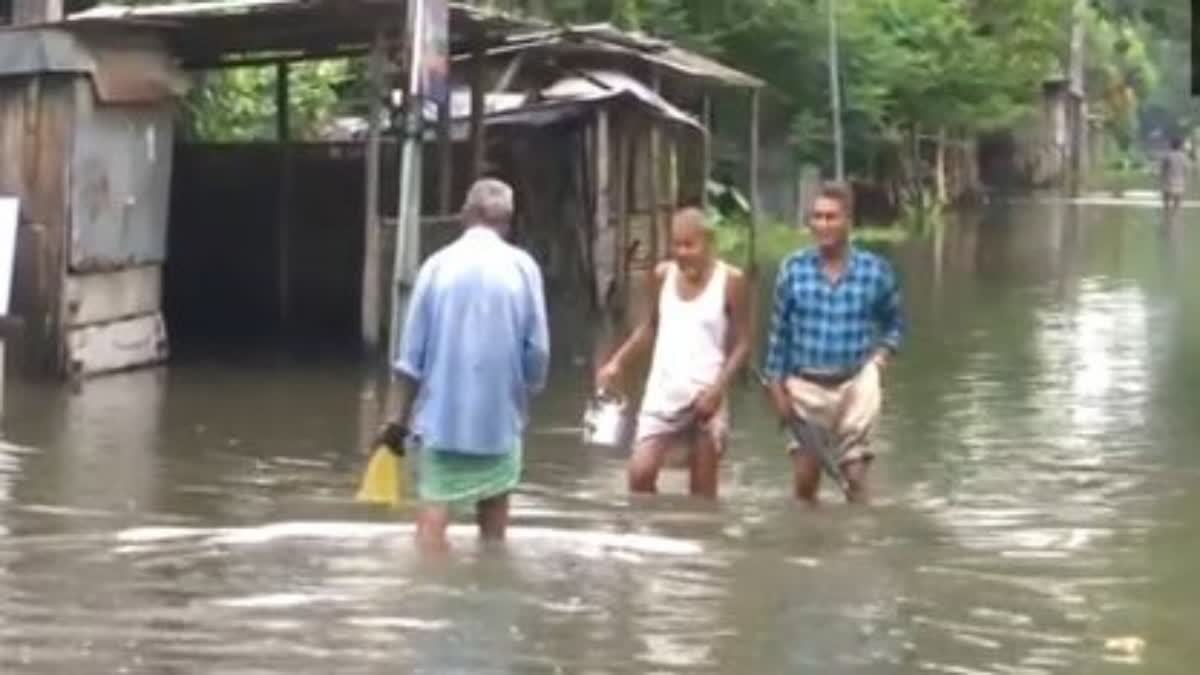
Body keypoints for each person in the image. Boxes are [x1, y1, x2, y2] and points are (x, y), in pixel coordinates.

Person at [378, 178, 550, 552]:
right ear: (507, 221)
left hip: (442, 421)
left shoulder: (435, 266)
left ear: (464, 216)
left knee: (431, 525)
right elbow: (537, 353)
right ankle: (490, 597)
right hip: (498, 422)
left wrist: (395, 421)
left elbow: (411, 359)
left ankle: (430, 599)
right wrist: (525, 395)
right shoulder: (523, 268)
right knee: (493, 535)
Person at [761, 182, 904, 504]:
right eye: (817, 217)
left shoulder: (875, 271)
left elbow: (895, 325)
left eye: (831, 217)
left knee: (855, 481)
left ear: (848, 222)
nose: (823, 225)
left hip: (856, 384)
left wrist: (880, 360)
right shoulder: (793, 269)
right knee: (805, 481)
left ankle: (856, 545)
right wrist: (775, 388)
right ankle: (808, 545)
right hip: (805, 385)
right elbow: (778, 335)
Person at [596, 207, 750, 498]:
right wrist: (617, 362)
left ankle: (697, 539)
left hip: (706, 397)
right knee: (640, 476)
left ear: (709, 243)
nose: (681, 252)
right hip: (662, 395)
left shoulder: (731, 281)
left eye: (689, 245)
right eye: (676, 244)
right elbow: (650, 327)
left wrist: (718, 390)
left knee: (702, 494)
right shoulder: (662, 275)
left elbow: (743, 343)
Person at [1160, 136, 1190, 224]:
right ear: (1180, 146)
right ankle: (1174, 222)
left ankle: (1167, 221)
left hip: (1168, 184)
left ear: (1171, 145)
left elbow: (1162, 170)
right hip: (1180, 185)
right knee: (1177, 208)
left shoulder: (1167, 156)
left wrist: (1160, 182)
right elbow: (1187, 171)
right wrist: (1186, 183)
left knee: (1166, 207)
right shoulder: (1184, 157)